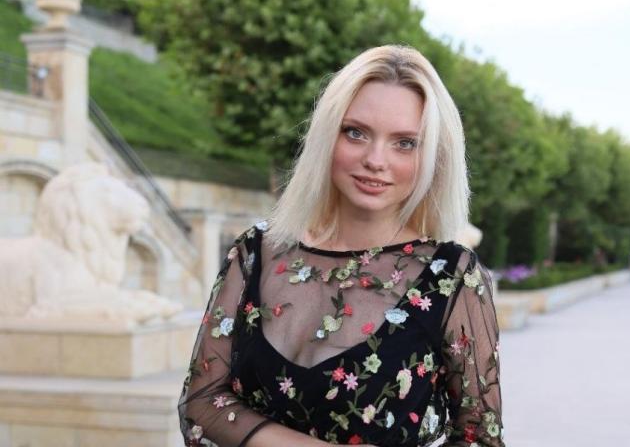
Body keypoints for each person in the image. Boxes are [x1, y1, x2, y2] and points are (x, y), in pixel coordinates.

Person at [178, 45, 505, 447]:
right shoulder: (255, 251)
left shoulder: (450, 277)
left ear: (434, 157)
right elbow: (203, 403)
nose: (375, 160)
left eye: (405, 143)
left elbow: (477, 437)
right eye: (356, 132)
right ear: (326, 136)